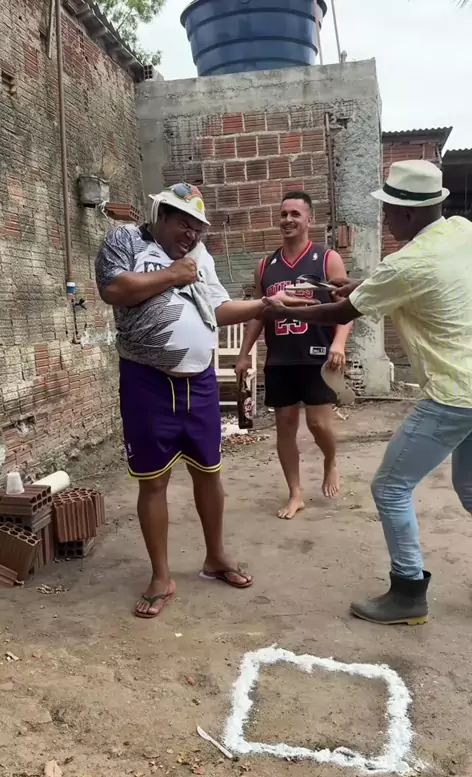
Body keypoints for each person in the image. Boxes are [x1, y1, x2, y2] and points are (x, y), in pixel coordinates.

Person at [264, 160, 472, 625]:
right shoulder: (460, 229)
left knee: (391, 487)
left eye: (389, 211)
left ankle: (408, 593)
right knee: (470, 486)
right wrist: (357, 285)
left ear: (409, 214)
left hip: (454, 394)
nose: (386, 219)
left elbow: (342, 313)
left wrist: (282, 309)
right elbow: (401, 284)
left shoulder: (407, 263)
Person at [95, 183, 284, 618]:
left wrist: (265, 305)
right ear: (161, 214)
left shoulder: (200, 257)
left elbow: (218, 309)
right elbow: (114, 289)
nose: (192, 235)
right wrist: (172, 274)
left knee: (208, 472)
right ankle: (161, 576)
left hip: (198, 383)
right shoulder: (125, 239)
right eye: (184, 224)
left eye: (198, 228)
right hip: (146, 381)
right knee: (153, 481)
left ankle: (215, 557)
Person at [235, 191, 352, 519]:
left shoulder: (326, 259)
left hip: (318, 355)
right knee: (285, 426)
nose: (288, 219)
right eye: (284, 214)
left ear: (309, 219)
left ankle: (330, 459)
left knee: (317, 423)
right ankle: (295, 493)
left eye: (295, 214)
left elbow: (346, 308)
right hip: (280, 358)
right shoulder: (265, 266)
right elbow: (258, 314)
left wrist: (339, 343)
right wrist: (244, 354)